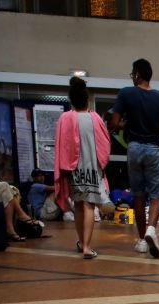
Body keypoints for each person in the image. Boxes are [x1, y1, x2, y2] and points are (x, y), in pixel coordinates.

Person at [110, 57, 159, 258]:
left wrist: (127, 124)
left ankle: (143, 240)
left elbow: (114, 122)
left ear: (137, 74)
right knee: (156, 195)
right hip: (153, 148)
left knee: (138, 195)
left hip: (134, 148)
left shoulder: (126, 93)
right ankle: (152, 229)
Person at [55, 76, 110, 260]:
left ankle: (81, 243)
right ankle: (87, 246)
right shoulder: (95, 119)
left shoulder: (65, 118)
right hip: (92, 169)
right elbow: (105, 145)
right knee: (89, 205)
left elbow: (61, 145)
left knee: (78, 205)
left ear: (71, 100)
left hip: (73, 169)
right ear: (87, 100)